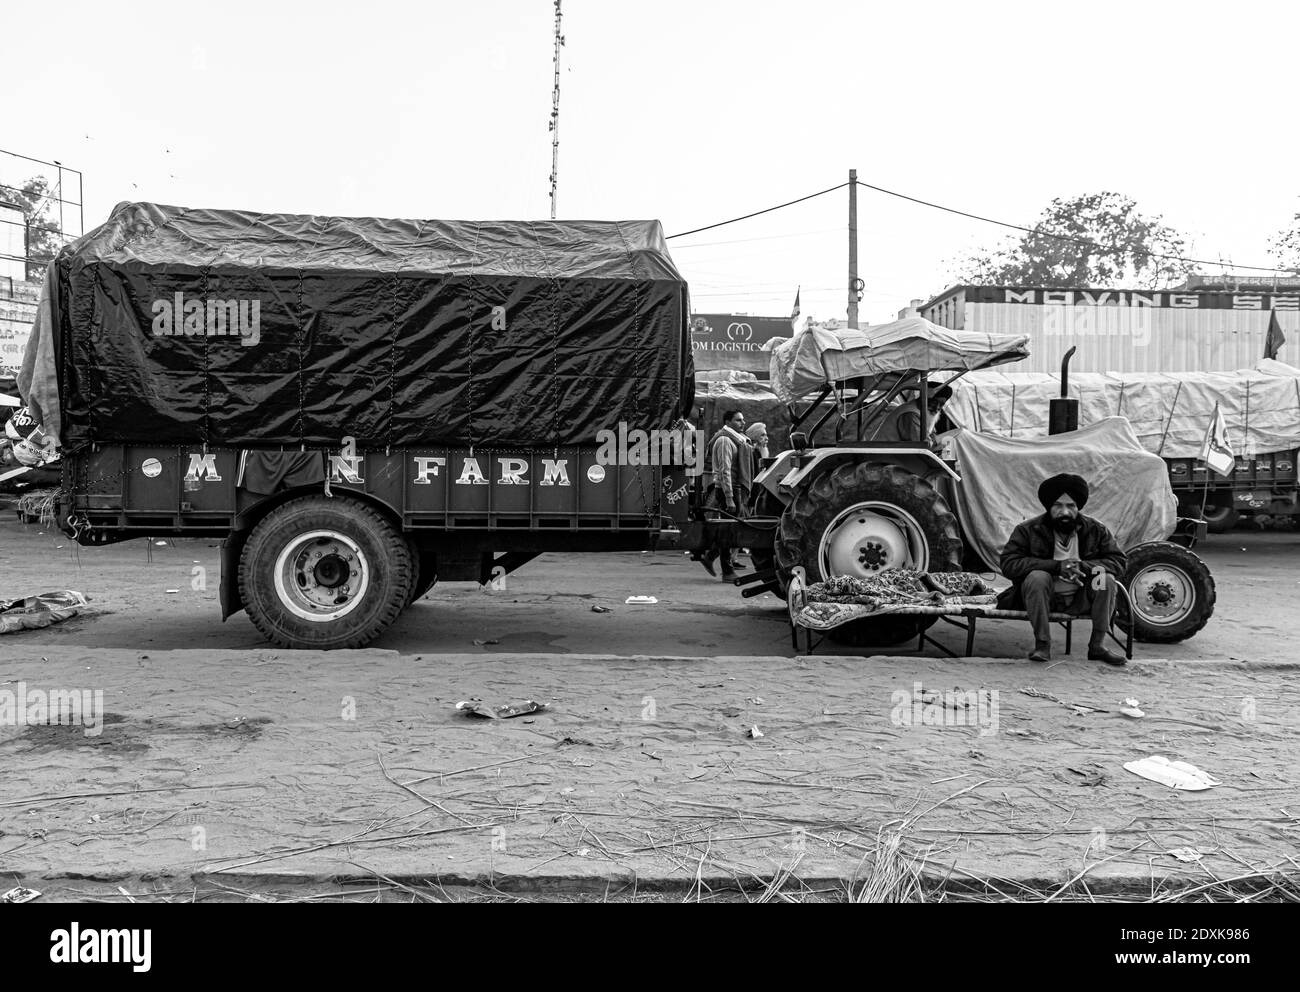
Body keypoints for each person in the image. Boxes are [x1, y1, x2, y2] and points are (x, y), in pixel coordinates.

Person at [998, 473, 1128, 666]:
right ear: (1049, 507)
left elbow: (1118, 561)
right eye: (1058, 505)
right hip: (1043, 600)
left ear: (1078, 508)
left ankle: (1097, 646)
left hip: (1081, 599)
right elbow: (1009, 564)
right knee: (1037, 577)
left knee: (1105, 578)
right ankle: (1042, 645)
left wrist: (1083, 566)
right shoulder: (1028, 529)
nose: (1065, 512)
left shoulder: (1096, 529)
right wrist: (1056, 567)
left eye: (1071, 506)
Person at [698, 409, 752, 581]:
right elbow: (724, 471)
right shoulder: (724, 440)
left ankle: (711, 557)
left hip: (735, 489)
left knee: (730, 530)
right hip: (728, 489)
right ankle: (727, 571)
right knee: (730, 530)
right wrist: (729, 498)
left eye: (742, 420)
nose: (742, 423)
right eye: (738, 420)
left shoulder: (738, 440)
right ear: (728, 422)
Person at [866, 384, 953, 448]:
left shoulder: (926, 412)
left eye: (941, 404)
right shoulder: (911, 414)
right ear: (925, 399)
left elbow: (931, 434)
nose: (937, 407)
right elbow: (920, 444)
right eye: (934, 402)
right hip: (888, 455)